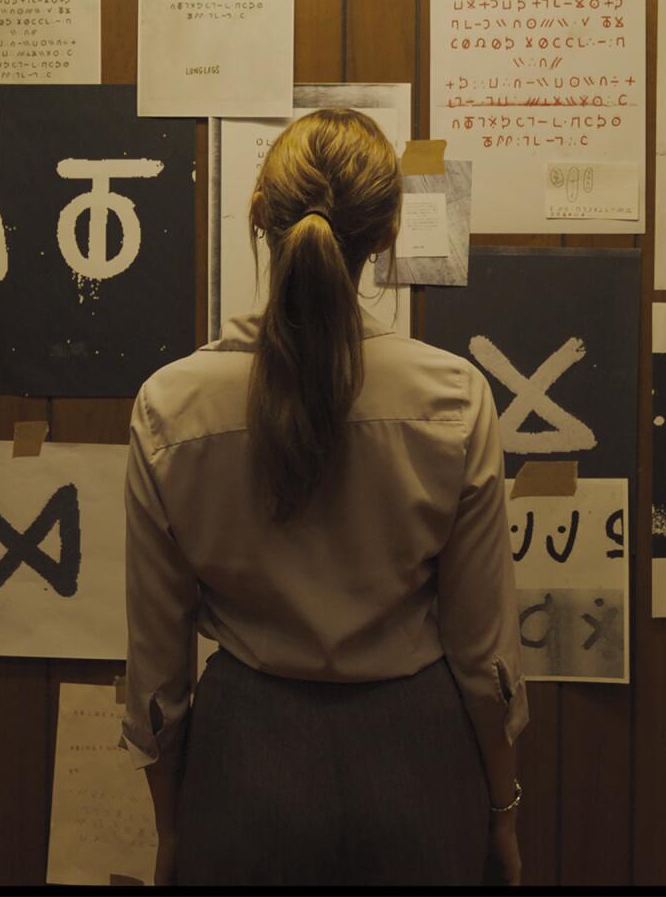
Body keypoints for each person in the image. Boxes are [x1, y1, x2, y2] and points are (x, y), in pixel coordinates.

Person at [120, 109, 528, 886]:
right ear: (385, 235)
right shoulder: (453, 398)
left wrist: (170, 827)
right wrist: (502, 808)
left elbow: (158, 667)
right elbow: (484, 656)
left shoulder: (170, 405)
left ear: (259, 215)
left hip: (243, 761)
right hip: (418, 754)